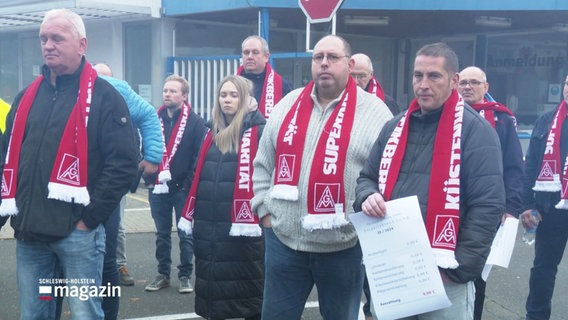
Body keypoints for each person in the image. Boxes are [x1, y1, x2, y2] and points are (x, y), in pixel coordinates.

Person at [0, 8, 138, 319]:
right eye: (43, 39)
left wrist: (88, 220)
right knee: (35, 314)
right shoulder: (26, 98)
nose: (48, 45)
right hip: (31, 236)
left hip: (77, 236)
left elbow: (124, 163)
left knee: (84, 312)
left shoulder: (104, 96)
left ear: (81, 45)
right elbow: (6, 157)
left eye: (57, 38)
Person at [354, 42, 505, 319]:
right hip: (394, 269)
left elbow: (487, 207)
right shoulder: (394, 126)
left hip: (445, 276)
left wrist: (456, 271)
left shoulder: (477, 132)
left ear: (453, 80)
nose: (423, 84)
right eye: (417, 75)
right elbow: (367, 178)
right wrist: (367, 196)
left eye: (433, 76)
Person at [251, 34, 393, 320]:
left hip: (344, 246)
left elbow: (388, 176)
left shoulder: (377, 113)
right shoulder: (288, 104)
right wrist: (265, 213)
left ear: (350, 64)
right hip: (284, 242)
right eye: (318, 58)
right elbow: (263, 162)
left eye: (332, 57)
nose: (324, 64)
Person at [177, 75, 265, 320]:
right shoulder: (209, 133)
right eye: (223, 94)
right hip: (208, 229)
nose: (227, 100)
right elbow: (197, 173)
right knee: (213, 297)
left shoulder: (259, 131)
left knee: (247, 295)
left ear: (246, 100)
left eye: (234, 95)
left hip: (243, 231)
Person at [91, 62, 163, 319]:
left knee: (107, 258)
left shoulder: (113, 87)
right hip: (67, 189)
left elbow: (147, 114)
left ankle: (108, 313)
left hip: (106, 186)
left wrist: (153, 156)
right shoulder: (53, 87)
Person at [458, 66, 524, 320]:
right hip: (447, 205)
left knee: (476, 274)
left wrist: (510, 209)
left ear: (486, 88)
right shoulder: (445, 115)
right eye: (463, 82)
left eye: (474, 82)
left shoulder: (502, 120)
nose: (467, 87)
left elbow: (514, 167)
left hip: (485, 211)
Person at [144, 74, 207, 294]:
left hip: (182, 189)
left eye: (172, 91)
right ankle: (162, 274)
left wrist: (188, 185)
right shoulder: (153, 119)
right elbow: (145, 149)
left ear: (184, 95)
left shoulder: (196, 122)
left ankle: (185, 275)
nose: (167, 94)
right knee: (161, 234)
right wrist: (149, 180)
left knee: (185, 233)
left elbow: (198, 156)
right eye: (165, 91)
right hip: (158, 188)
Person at [519, 74, 568, 320]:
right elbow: (531, 167)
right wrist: (527, 204)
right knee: (543, 270)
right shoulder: (546, 121)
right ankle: (536, 316)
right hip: (551, 209)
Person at [238, 35, 292, 118]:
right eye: (246, 52)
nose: (250, 57)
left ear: (266, 57)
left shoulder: (282, 85)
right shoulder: (231, 84)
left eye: (255, 52)